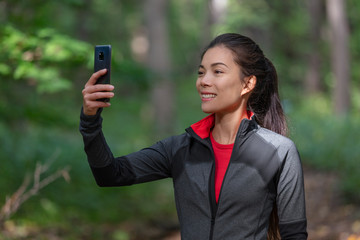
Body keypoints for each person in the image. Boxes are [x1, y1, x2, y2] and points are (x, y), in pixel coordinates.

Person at [80, 33, 308, 240]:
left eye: (217, 71)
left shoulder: (279, 151)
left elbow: (294, 235)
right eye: (201, 72)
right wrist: (90, 120)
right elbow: (110, 175)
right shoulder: (179, 148)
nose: (203, 81)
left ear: (247, 83)